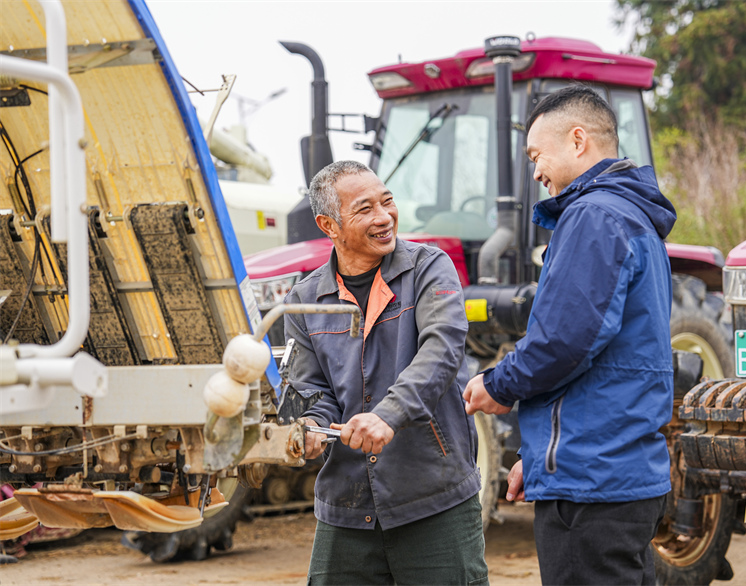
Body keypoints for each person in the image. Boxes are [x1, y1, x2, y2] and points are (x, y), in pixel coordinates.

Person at [463, 84, 677, 585]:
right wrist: (537, 462)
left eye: (538, 154)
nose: (536, 171)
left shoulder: (595, 216)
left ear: (578, 141)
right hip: (610, 472)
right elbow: (601, 359)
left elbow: (565, 341)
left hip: (593, 487)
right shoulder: (629, 216)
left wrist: (499, 384)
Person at [284, 160, 488, 585]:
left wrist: (387, 415)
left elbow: (442, 348)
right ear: (329, 225)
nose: (383, 218)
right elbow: (311, 388)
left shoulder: (429, 268)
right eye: (364, 209)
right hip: (346, 504)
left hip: (433, 499)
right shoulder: (305, 300)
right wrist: (310, 429)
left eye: (387, 202)